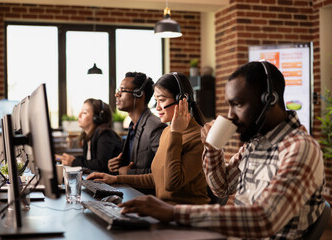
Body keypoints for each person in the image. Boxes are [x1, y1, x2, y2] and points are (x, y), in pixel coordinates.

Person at [118, 62, 326, 239]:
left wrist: (173, 212)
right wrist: (212, 146)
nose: (230, 115)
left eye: (238, 104)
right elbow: (221, 187)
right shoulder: (255, 144)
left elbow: (265, 219)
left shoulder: (300, 148)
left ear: (269, 100)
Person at [88, 72, 210, 205]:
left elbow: (171, 183)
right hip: (165, 211)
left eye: (162, 100)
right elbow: (157, 178)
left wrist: (176, 133)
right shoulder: (167, 132)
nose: (157, 107)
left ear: (182, 99)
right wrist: (116, 178)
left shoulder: (197, 138)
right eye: (156, 101)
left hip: (186, 216)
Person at [108, 72, 166, 175]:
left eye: (123, 90)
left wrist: (130, 173)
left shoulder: (155, 127)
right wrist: (117, 165)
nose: (117, 94)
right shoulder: (132, 126)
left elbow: (164, 171)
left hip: (145, 191)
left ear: (139, 94)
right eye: (118, 90)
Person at [56, 98, 122, 173]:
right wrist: (69, 159)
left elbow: (101, 164)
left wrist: (74, 162)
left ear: (96, 118)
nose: (79, 115)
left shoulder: (105, 134)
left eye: (84, 113)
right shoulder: (88, 136)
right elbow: (88, 160)